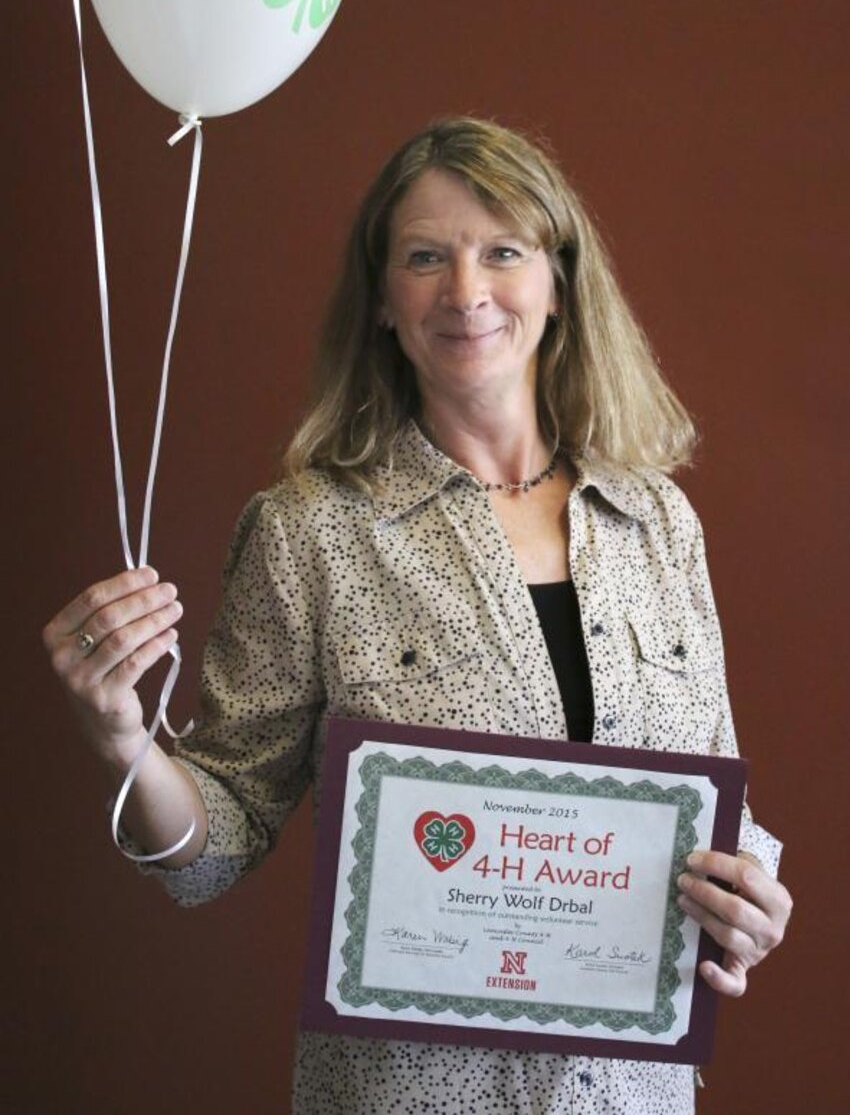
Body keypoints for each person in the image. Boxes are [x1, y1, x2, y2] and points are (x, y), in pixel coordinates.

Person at [43, 117, 792, 1114]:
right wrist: (122, 736)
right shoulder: (310, 530)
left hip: (630, 1094)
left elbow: (714, 802)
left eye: (504, 251)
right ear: (385, 303)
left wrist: (748, 905)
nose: (467, 290)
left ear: (560, 283)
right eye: (426, 257)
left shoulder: (656, 521)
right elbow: (216, 837)